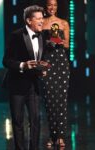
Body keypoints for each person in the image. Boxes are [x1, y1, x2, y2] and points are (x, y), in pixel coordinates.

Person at [2, 5, 45, 150]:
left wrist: (41, 69)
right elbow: (6, 60)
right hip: (17, 85)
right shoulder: (16, 35)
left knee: (36, 121)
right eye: (38, 18)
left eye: (42, 18)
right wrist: (23, 65)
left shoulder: (41, 36)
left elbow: (37, 59)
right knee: (18, 121)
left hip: (33, 85)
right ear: (28, 21)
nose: (41, 21)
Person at [41, 0, 70, 147]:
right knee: (49, 101)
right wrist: (46, 42)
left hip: (61, 64)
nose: (52, 8)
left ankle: (60, 136)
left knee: (61, 101)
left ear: (57, 7)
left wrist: (59, 41)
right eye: (49, 5)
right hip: (47, 63)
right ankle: (51, 135)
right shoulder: (41, 23)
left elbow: (67, 45)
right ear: (46, 7)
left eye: (55, 5)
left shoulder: (63, 23)